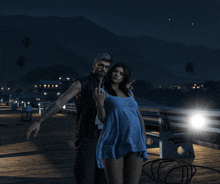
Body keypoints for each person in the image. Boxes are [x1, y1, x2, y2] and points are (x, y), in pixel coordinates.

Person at [26, 53, 134, 184]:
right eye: (101, 65)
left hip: (106, 138)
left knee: (104, 178)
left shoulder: (109, 85)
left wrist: (125, 88)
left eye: (107, 67)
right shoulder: (83, 83)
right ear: (94, 64)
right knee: (84, 176)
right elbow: (60, 102)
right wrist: (39, 121)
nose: (104, 69)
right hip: (87, 137)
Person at [93, 62, 148, 184]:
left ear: (124, 77)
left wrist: (143, 138)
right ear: (110, 72)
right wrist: (99, 104)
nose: (117, 74)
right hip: (114, 141)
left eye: (121, 73)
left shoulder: (129, 93)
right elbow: (102, 119)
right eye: (115, 71)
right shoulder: (103, 92)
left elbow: (138, 115)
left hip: (135, 141)